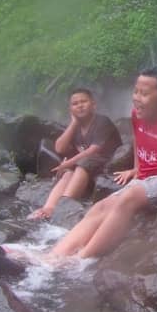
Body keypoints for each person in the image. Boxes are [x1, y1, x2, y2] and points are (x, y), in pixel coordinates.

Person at [48, 66, 157, 259]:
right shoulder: (137, 114)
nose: (136, 98)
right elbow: (138, 138)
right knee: (100, 207)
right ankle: (55, 255)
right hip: (146, 181)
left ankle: (81, 259)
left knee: (128, 197)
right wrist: (137, 168)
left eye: (144, 93)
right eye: (135, 91)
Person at [29, 87, 122, 220]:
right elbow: (59, 148)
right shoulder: (76, 126)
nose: (80, 106)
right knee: (68, 172)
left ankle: (63, 207)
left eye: (83, 101)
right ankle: (48, 208)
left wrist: (68, 162)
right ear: (71, 109)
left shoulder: (102, 121)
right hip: (89, 169)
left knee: (79, 164)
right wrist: (73, 123)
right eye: (75, 104)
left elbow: (94, 150)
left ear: (93, 105)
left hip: (109, 164)